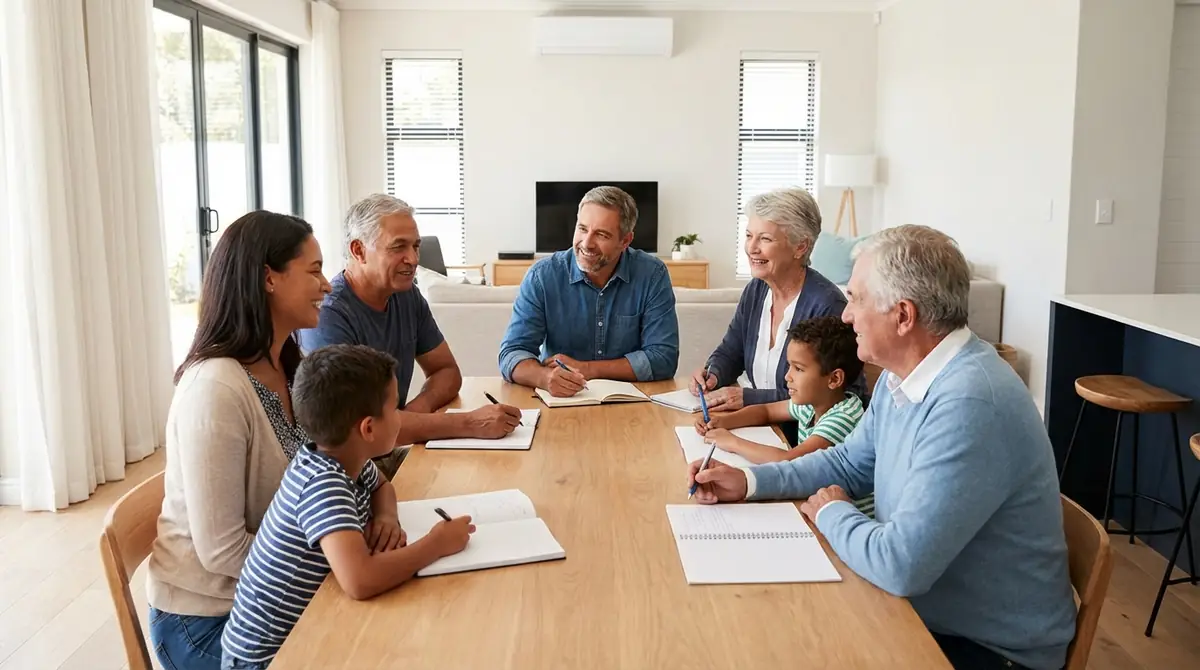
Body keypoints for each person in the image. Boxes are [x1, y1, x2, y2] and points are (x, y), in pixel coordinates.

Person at [687, 225, 1077, 670]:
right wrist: (748, 482)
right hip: (923, 611)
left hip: (986, 649)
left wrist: (834, 512)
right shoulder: (903, 375)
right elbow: (848, 463)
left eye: (856, 299)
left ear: (903, 316)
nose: (846, 315)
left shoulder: (970, 404)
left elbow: (900, 566)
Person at [147, 211, 332, 670]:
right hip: (209, 621)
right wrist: (332, 560)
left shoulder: (287, 366)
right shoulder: (215, 388)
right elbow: (221, 550)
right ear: (269, 279)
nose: (327, 285)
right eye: (314, 271)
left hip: (265, 596)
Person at [220, 345, 474, 669]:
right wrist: (436, 544)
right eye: (394, 409)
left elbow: (382, 486)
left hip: (310, 629)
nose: (400, 417)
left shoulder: (342, 456)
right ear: (368, 429)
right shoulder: (323, 484)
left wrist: (386, 517)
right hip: (269, 658)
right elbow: (360, 580)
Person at [299, 194, 521, 446]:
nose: (414, 259)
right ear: (358, 250)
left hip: (391, 447)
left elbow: (447, 372)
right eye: (398, 247)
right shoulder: (328, 316)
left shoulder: (406, 295)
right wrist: (468, 423)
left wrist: (410, 414)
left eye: (415, 246)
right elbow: (358, 429)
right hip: (355, 462)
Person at [688, 187, 857, 443]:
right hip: (757, 427)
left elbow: (842, 393)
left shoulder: (828, 305)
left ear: (800, 246)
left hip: (798, 440)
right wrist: (713, 374)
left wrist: (750, 398)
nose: (751, 248)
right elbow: (731, 350)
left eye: (765, 239)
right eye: (749, 236)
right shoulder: (756, 290)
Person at [497, 185, 679, 396]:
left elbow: (664, 358)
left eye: (601, 234)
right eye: (582, 229)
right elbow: (512, 353)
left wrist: (588, 369)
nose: (587, 243)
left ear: (625, 241)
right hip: (561, 401)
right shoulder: (542, 276)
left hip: (631, 401)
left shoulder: (652, 274)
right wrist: (544, 378)